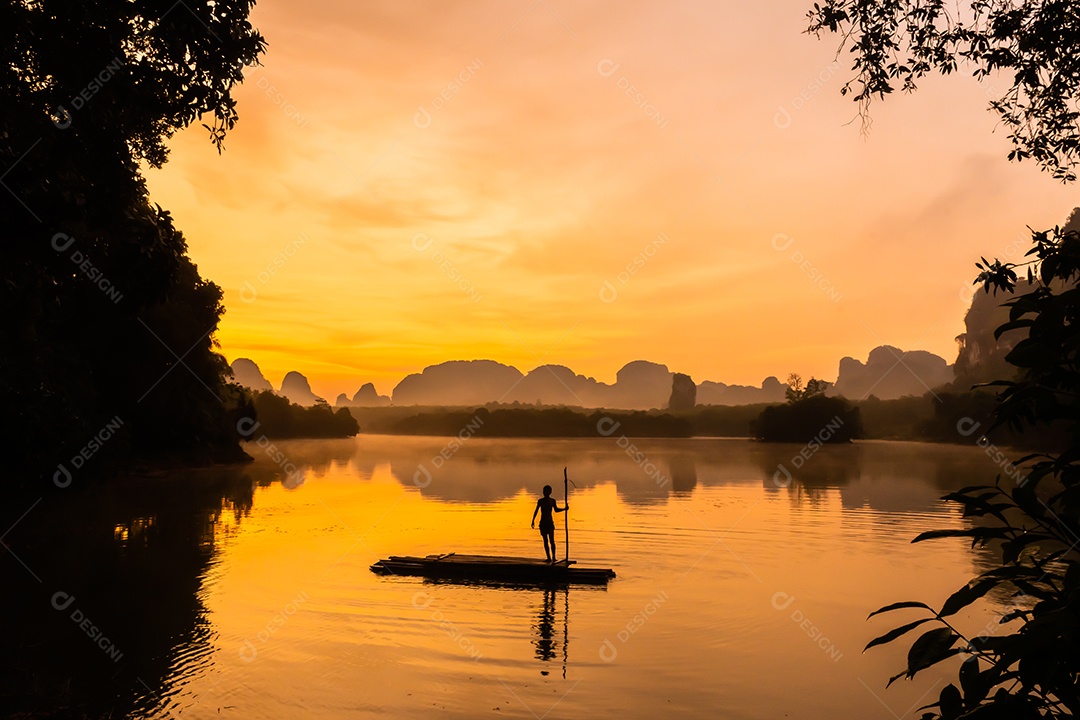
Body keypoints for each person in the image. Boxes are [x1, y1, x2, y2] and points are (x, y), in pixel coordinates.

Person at [531, 484, 567, 563]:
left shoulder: (552, 501)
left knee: (552, 541)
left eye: (547, 491)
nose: (545, 493)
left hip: (550, 523)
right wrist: (533, 520)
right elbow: (536, 510)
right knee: (545, 541)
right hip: (543, 523)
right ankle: (548, 557)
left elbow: (556, 510)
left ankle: (554, 557)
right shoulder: (540, 501)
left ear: (550, 492)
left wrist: (564, 509)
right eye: (544, 491)